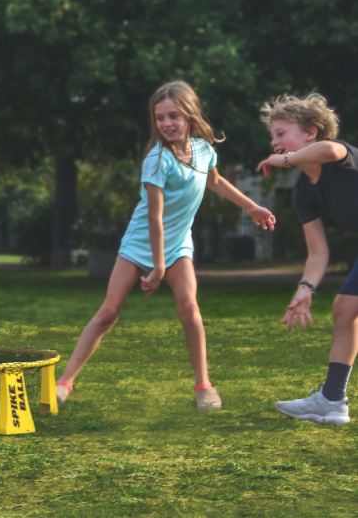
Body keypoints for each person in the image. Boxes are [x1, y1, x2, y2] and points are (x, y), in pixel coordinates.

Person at [55, 81, 276, 412]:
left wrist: (250, 206)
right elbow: (154, 219)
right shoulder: (157, 160)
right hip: (140, 242)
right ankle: (64, 383)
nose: (167, 123)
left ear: (189, 115)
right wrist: (157, 267)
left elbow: (214, 180)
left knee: (190, 309)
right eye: (160, 118)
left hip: (177, 244)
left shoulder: (203, 150)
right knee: (109, 312)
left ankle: (204, 387)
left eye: (173, 116)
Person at [256, 93, 355, 425]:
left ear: (311, 132)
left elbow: (329, 149)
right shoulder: (303, 191)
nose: (274, 143)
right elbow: (318, 252)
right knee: (345, 308)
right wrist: (305, 289)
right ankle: (332, 400)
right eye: (273, 137)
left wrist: (281, 160)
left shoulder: (338, 155)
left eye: (281, 133)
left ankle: (331, 399)